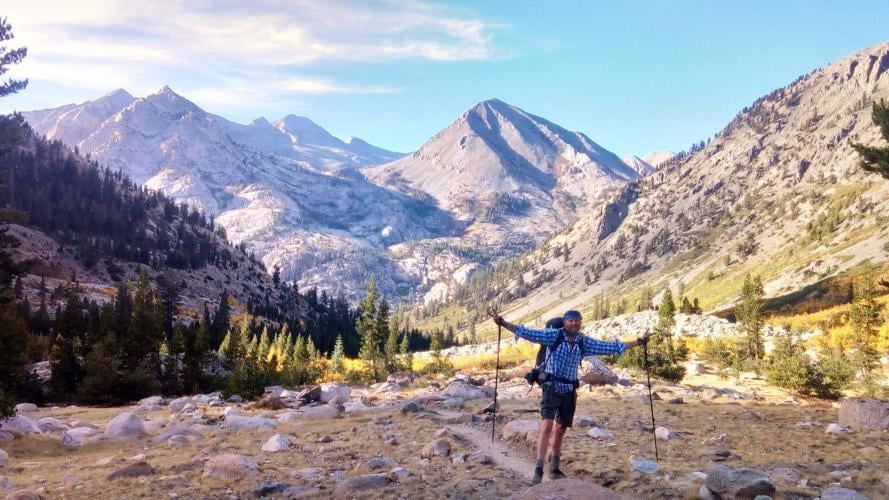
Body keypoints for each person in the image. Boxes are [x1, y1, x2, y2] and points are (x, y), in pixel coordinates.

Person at [487, 307, 650, 484]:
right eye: (570, 320)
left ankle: (555, 468)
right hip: (551, 386)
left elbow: (610, 346)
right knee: (547, 424)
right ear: (564, 322)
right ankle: (539, 469)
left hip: (569, 389)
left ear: (580, 323)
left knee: (560, 428)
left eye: (576, 320)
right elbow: (528, 333)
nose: (573, 323)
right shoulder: (554, 335)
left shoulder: (583, 342)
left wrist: (639, 342)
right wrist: (502, 323)